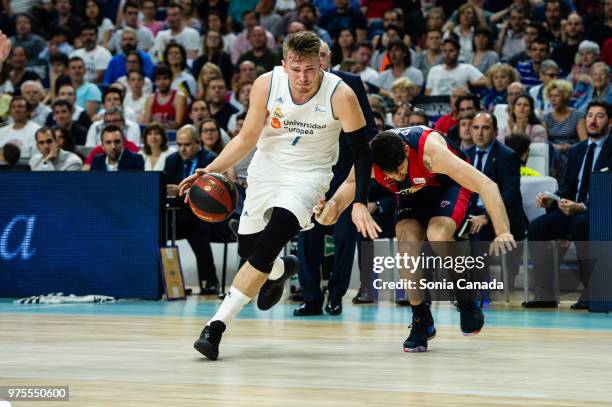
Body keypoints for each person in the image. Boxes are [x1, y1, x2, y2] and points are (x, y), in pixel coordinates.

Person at [178, 32, 375, 360]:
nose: (303, 78)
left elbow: (363, 153)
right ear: (284, 65)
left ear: (322, 63)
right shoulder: (266, 84)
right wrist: (208, 170)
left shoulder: (341, 95)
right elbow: (245, 139)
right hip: (265, 170)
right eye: (296, 69)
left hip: (308, 178)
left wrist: (358, 201)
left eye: (310, 69)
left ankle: (215, 327)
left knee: (267, 245)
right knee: (248, 248)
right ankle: (280, 270)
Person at [317, 125, 516, 352]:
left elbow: (487, 184)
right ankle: (421, 318)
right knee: (407, 247)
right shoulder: (368, 161)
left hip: (447, 186)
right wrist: (324, 211)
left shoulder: (431, 151)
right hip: (413, 195)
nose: (398, 176)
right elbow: (338, 204)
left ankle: (467, 296)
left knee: (437, 235)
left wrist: (503, 231)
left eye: (401, 169)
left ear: (405, 149)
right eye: (391, 174)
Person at [524, 101, 612, 309]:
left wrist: (582, 207)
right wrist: (551, 199)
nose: (592, 120)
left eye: (599, 116)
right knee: (537, 227)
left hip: (601, 214)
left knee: (580, 224)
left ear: (610, 122)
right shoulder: (578, 150)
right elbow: (566, 188)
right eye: (590, 115)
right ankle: (544, 295)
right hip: (573, 210)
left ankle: (592, 292)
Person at [164, 125, 220, 294]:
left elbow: (211, 191)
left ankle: (210, 282)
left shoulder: (210, 159)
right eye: (179, 144)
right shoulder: (171, 160)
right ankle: (169, 283)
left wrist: (182, 192)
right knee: (157, 232)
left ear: (198, 143)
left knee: (198, 233)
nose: (182, 149)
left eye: (187, 144)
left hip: (205, 214)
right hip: (177, 213)